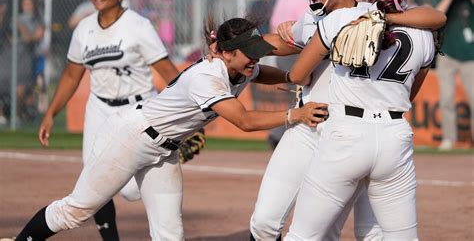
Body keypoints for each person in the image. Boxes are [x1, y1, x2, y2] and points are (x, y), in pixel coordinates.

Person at [9, 17, 328, 241]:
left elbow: (261, 70)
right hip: (131, 138)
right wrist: (295, 115)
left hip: (164, 150)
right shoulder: (207, 78)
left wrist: (292, 72)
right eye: (248, 53)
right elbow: (244, 121)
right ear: (225, 52)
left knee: (169, 234)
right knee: (76, 211)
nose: (254, 59)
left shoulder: (241, 63)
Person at [250, 0, 446, 241]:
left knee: (321, 233)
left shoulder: (348, 17)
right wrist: (242, 44)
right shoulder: (417, 29)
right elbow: (437, 19)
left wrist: (280, 76)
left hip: (344, 131)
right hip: (377, 131)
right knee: (383, 233)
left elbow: (298, 73)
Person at [36, 0, 181, 240]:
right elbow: (71, 75)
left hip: (137, 110)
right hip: (99, 109)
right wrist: (51, 113)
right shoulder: (84, 30)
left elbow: (168, 72)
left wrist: (183, 110)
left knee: (128, 190)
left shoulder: (138, 27)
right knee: (95, 178)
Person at [435, 0, 474, 150]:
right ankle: (449, 138)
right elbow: (437, 14)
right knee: (446, 98)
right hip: (448, 55)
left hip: (470, 56)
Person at [266, 0, 308, 149]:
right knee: (299, 96)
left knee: (292, 96)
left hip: (277, 48)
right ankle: (278, 135)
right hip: (296, 50)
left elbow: (272, 24)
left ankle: (279, 134)